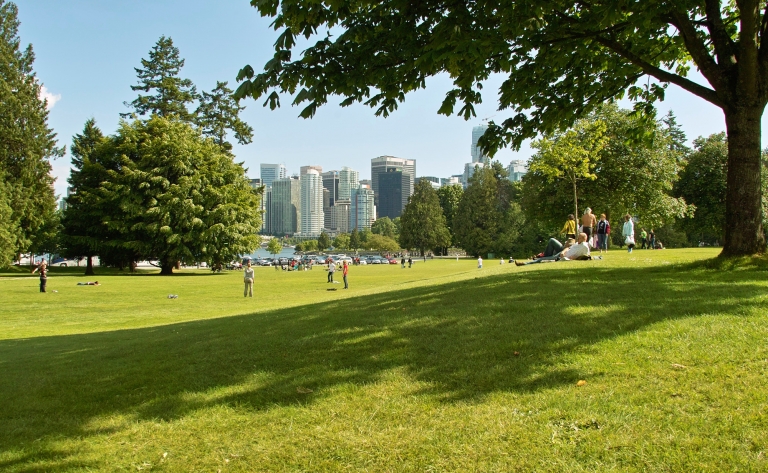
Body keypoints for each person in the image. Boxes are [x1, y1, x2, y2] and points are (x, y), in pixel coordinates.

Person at [516, 233, 591, 265]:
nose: (577, 239)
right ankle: (545, 255)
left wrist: (569, 257)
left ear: (584, 238)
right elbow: (568, 248)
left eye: (579, 238)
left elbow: (585, 256)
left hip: (563, 257)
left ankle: (524, 263)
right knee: (552, 240)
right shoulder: (578, 244)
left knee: (541, 260)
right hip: (563, 252)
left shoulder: (584, 246)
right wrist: (563, 251)